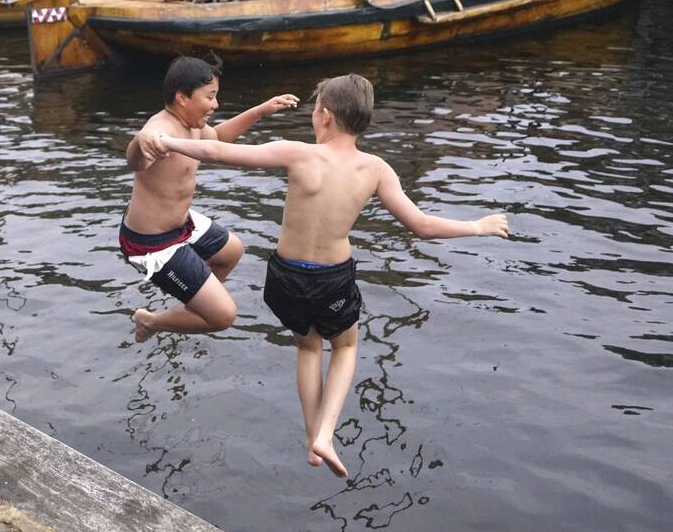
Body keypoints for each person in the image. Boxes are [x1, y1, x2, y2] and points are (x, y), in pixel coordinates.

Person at [158, 73, 509, 477]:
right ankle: (325, 433)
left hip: (285, 276)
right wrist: (478, 226)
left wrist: (166, 142)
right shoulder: (376, 169)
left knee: (308, 349)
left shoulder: (297, 153)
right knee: (343, 348)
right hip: (331, 279)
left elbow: (219, 153)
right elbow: (422, 225)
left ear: (324, 116)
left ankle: (312, 439)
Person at [122, 55, 299, 343]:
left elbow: (217, 137)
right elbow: (137, 159)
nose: (216, 105)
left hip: (181, 225)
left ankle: (193, 306)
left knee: (232, 251)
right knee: (223, 316)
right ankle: (151, 320)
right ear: (182, 97)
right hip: (152, 243)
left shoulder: (192, 126)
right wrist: (139, 142)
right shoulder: (161, 130)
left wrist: (261, 110)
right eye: (210, 97)